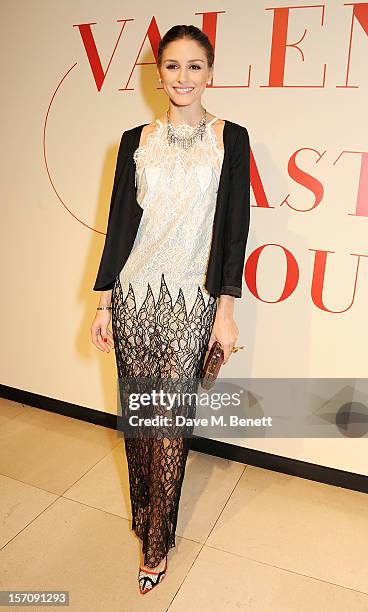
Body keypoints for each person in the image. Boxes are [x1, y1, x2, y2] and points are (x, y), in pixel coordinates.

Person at [90, 24, 250, 595]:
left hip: (192, 301)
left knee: (171, 426)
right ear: (158, 75)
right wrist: (105, 302)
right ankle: (145, 515)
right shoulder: (135, 140)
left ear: (211, 73)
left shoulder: (231, 139)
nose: (183, 77)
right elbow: (118, 230)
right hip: (133, 298)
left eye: (194, 66)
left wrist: (226, 314)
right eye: (173, 66)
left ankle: (156, 542)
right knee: (138, 422)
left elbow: (234, 233)